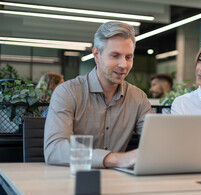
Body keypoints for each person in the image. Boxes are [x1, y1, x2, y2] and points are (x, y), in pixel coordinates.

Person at [44, 21, 153, 169]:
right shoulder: (67, 92)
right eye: (115, 56)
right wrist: (115, 159)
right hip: (72, 180)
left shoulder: (138, 98)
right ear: (96, 54)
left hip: (118, 183)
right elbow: (54, 149)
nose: (124, 65)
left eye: (128, 57)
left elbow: (157, 143)